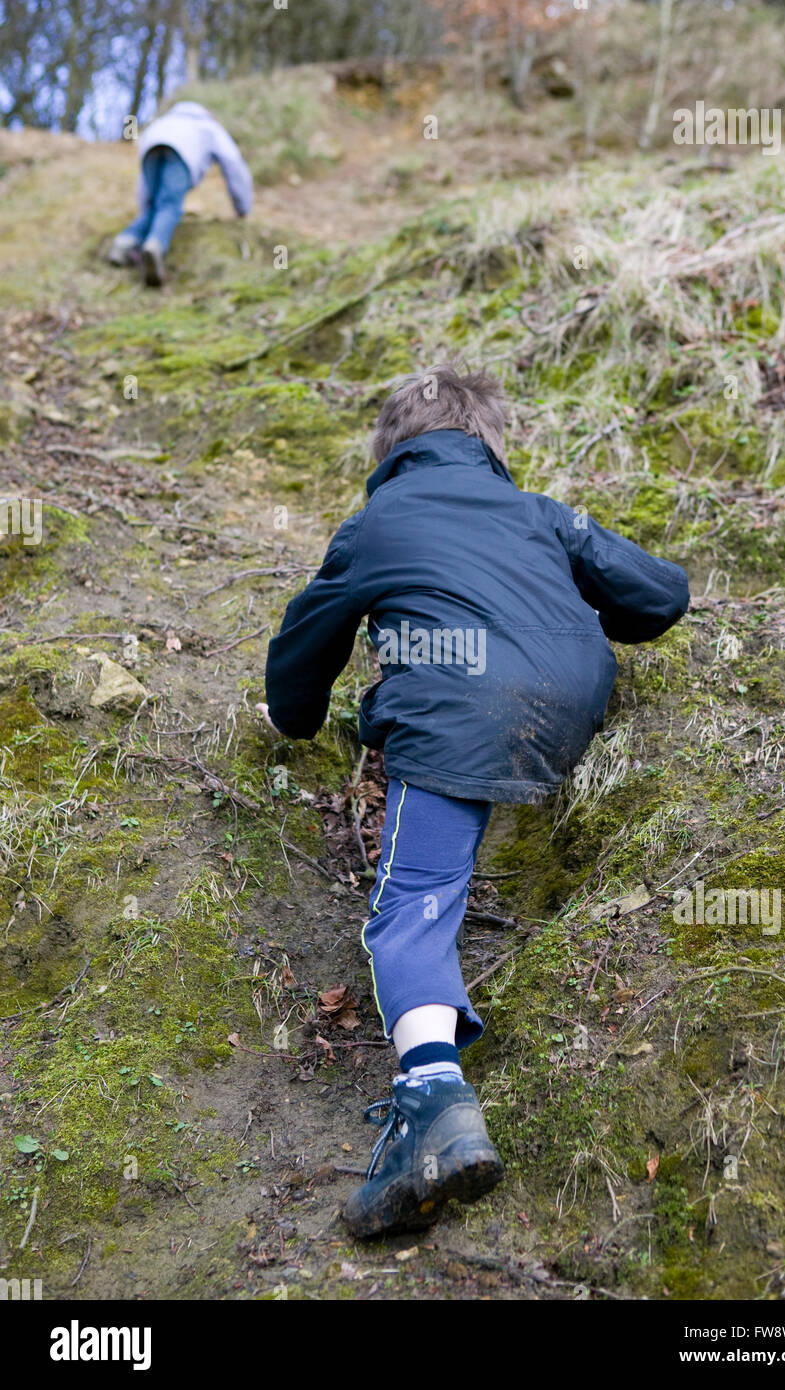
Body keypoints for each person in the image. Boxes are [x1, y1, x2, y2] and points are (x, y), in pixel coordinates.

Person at [258, 365, 690, 1237]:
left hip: (458, 709)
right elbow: (660, 594)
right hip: (568, 702)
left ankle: (435, 1101)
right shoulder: (539, 513)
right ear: (492, 442)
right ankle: (430, 1114)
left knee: (410, 912)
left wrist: (292, 717)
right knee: (453, 798)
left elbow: (305, 647)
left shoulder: (376, 524)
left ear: (388, 452)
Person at [108, 101, 253, 287]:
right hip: (180, 155)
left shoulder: (162, 122)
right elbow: (233, 165)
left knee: (156, 205)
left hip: (151, 148)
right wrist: (243, 207)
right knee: (170, 206)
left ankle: (124, 243)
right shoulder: (209, 127)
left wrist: (145, 205)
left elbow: (144, 181)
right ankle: (155, 246)